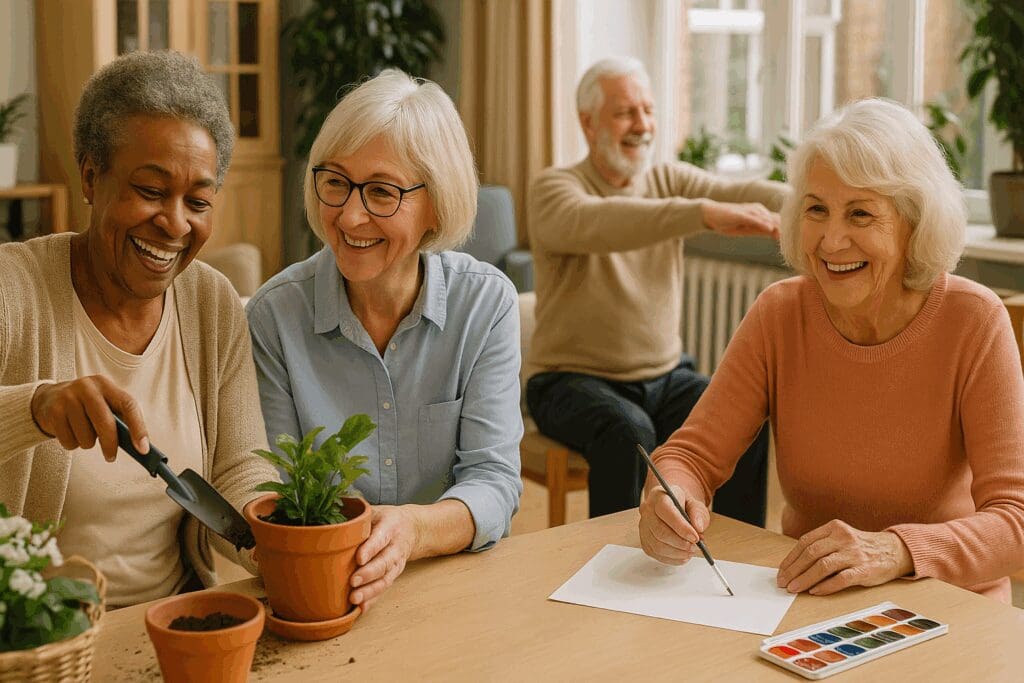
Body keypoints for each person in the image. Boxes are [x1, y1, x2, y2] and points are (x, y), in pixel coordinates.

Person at [639, 98, 1024, 603]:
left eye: (860, 214)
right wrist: (668, 496)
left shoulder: (973, 320)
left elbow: (1015, 523)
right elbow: (693, 454)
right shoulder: (780, 313)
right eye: (817, 209)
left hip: (947, 607)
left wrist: (897, 550)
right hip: (809, 600)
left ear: (915, 223)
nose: (831, 239)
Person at [0, 51, 279, 607]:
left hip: (175, 624)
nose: (175, 223)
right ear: (89, 176)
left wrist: (281, 544)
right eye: (150, 191)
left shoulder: (211, 301)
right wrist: (36, 409)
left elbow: (239, 466)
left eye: (197, 201)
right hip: (41, 645)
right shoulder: (14, 290)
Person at [246, 69, 523, 612]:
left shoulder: (486, 306)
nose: (350, 215)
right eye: (336, 182)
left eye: (381, 191)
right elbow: (275, 491)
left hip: (455, 586)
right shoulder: (274, 318)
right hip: (324, 592)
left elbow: (494, 481)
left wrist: (413, 531)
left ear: (436, 206)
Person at [526, 57, 787, 522]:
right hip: (569, 382)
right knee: (630, 433)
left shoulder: (667, 180)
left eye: (647, 110)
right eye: (626, 112)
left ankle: (742, 554)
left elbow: (747, 190)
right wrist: (700, 213)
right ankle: (615, 567)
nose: (642, 124)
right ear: (587, 123)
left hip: (666, 377)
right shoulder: (554, 189)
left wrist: (818, 198)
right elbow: (602, 222)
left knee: (744, 418)